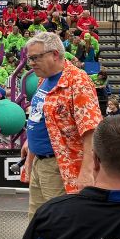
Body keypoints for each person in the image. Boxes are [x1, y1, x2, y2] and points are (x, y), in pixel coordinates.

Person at [22, 32, 102, 211]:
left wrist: (87, 171)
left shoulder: (78, 81)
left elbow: (91, 129)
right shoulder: (43, 79)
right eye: (29, 58)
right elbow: (40, 116)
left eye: (35, 58)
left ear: (55, 54)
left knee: (59, 221)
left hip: (60, 167)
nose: (31, 63)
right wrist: (30, 143)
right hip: (40, 163)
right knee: (38, 221)